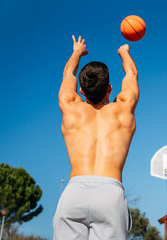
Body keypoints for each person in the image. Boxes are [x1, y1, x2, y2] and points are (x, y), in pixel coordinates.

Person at [53, 35, 139, 240]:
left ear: (81, 91)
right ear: (110, 88)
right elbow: (132, 73)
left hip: (74, 193)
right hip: (109, 194)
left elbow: (68, 74)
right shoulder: (123, 109)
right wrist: (124, 52)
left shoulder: (71, 107)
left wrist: (77, 51)